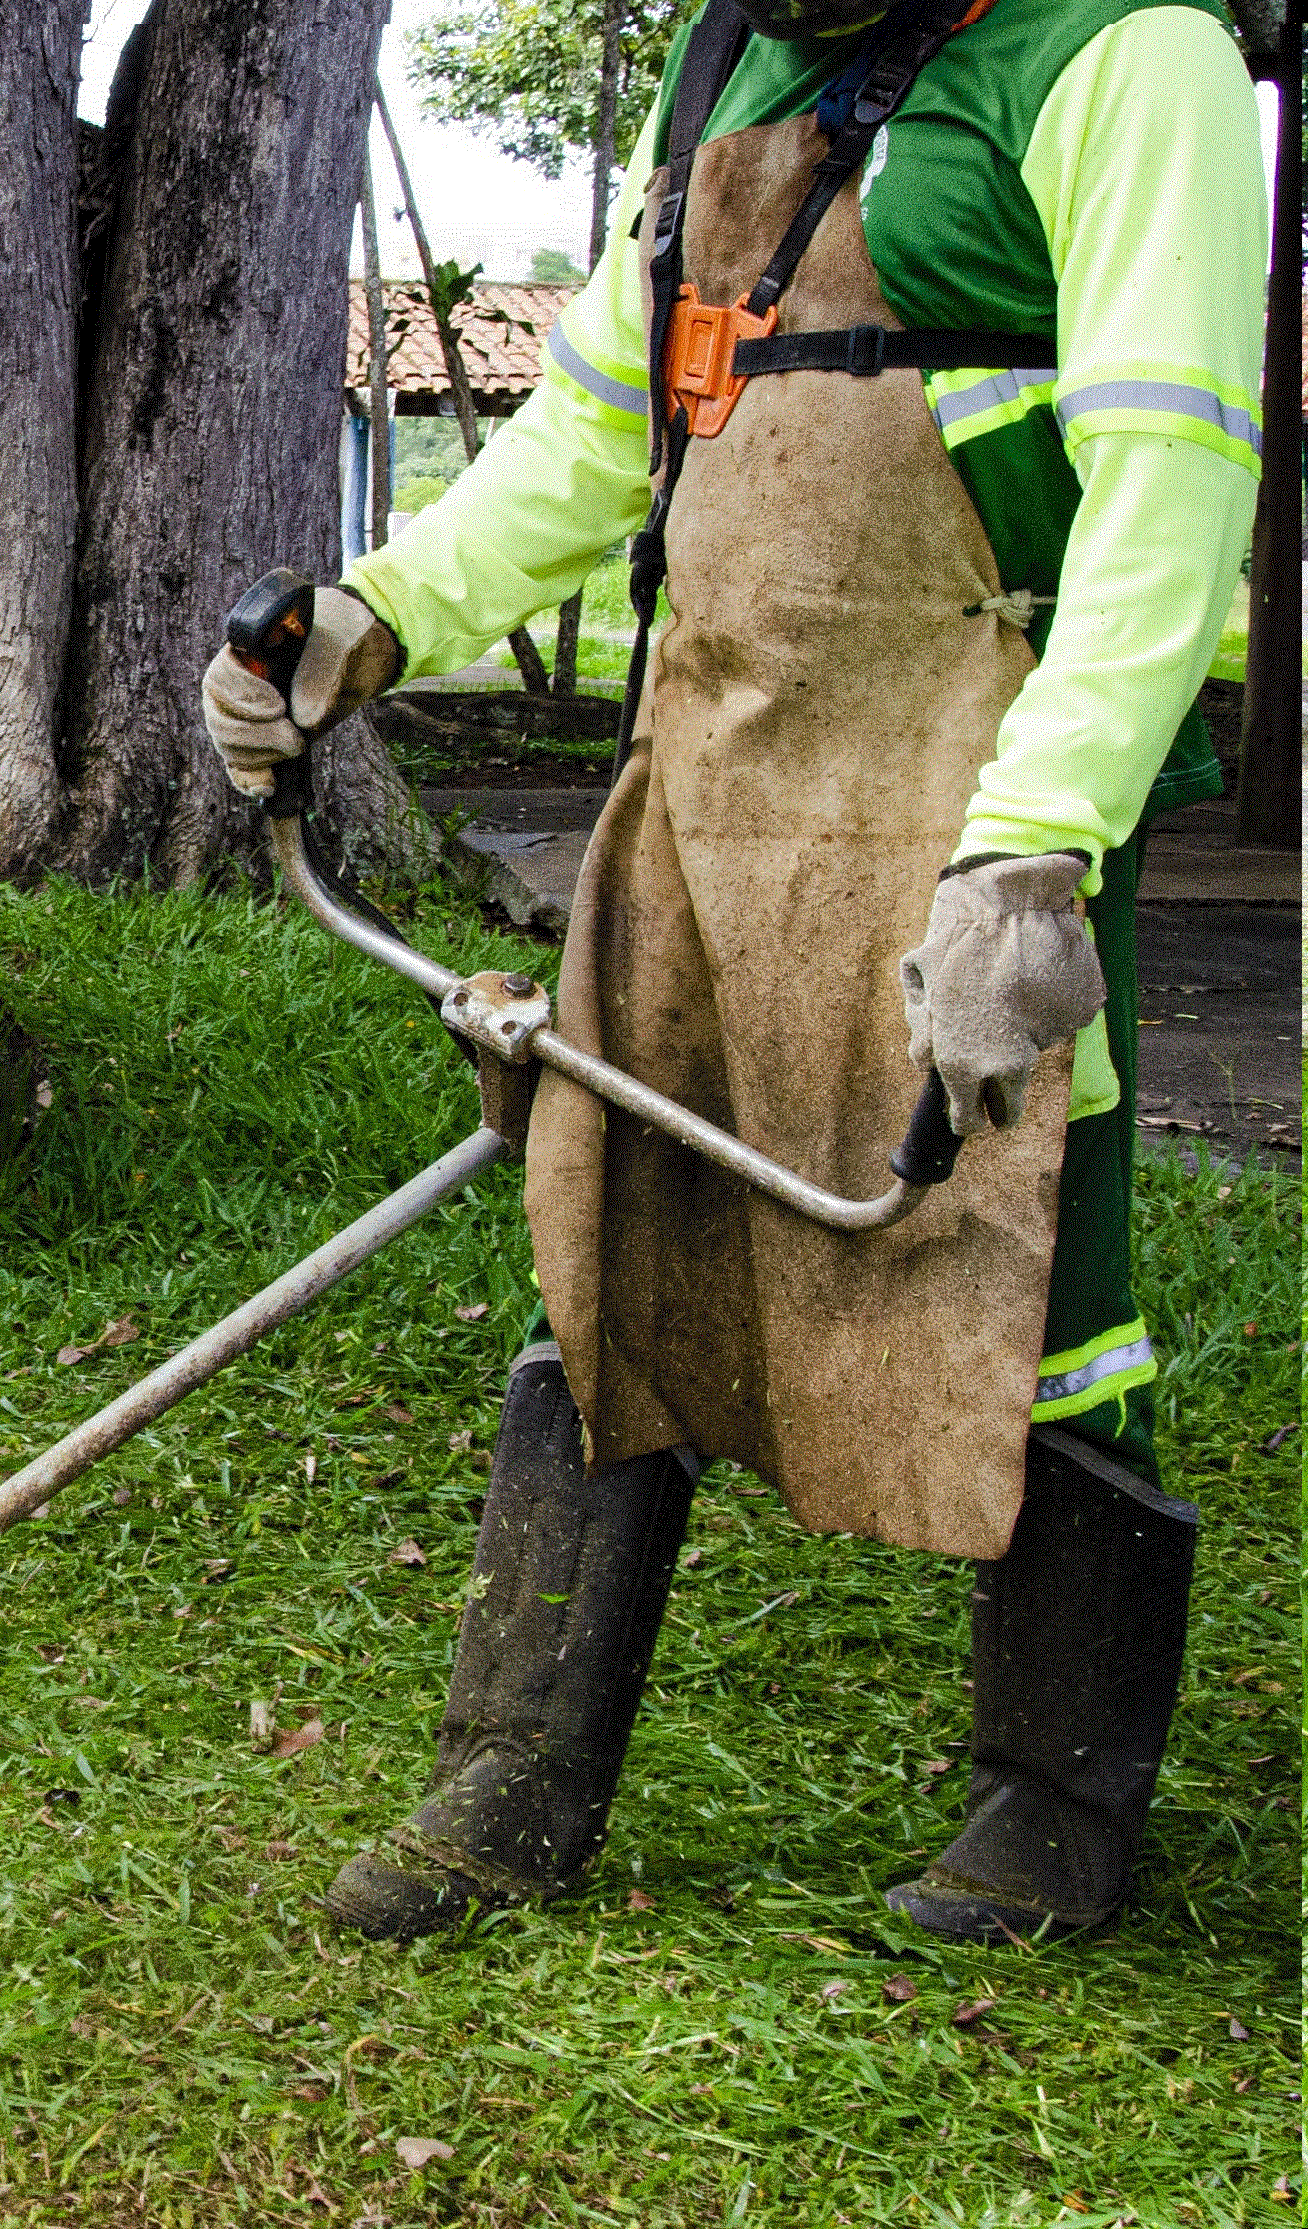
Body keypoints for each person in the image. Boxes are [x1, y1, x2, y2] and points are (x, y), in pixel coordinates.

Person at [203, 0, 1264, 1941]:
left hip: (981, 780)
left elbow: (1170, 486)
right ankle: (512, 1774)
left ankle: (1049, 1807)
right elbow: (597, 441)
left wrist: (1038, 840)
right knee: (611, 1252)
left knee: (1032, 1271)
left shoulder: (1126, 60)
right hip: (714, 775)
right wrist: (378, 617)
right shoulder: (730, 77)